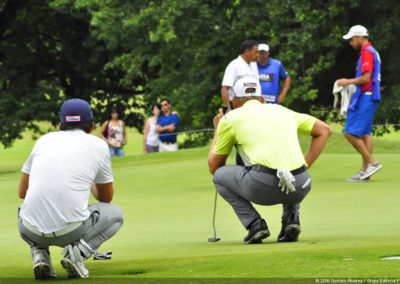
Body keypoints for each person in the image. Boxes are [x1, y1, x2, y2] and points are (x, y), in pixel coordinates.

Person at [208, 77, 331, 244]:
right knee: (289, 167)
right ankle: (291, 220)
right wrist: (305, 165)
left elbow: (215, 166)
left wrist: (217, 130)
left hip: (262, 187)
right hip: (301, 184)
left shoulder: (230, 119)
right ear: (262, 99)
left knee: (219, 176)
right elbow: (325, 130)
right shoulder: (284, 111)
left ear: (234, 102)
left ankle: (255, 225)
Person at [17, 98, 124, 279]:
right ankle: (78, 254)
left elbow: (22, 192)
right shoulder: (99, 145)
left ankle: (40, 254)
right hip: (71, 232)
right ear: (91, 127)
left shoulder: (44, 140)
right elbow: (106, 198)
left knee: (25, 209)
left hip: (29, 229)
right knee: (116, 214)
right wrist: (88, 179)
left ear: (60, 125)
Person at [337, 25, 382, 182]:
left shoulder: (367, 53)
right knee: (364, 134)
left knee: (349, 132)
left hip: (366, 96)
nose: (351, 43)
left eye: (352, 39)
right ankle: (365, 172)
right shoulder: (370, 51)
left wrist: (345, 82)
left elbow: (365, 79)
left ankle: (371, 162)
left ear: (359, 37)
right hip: (371, 96)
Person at [221, 39, 259, 110]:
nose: (257, 55)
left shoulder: (254, 66)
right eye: (256, 52)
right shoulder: (234, 65)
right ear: (247, 51)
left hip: (253, 106)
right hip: (237, 106)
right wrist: (228, 110)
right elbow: (224, 89)